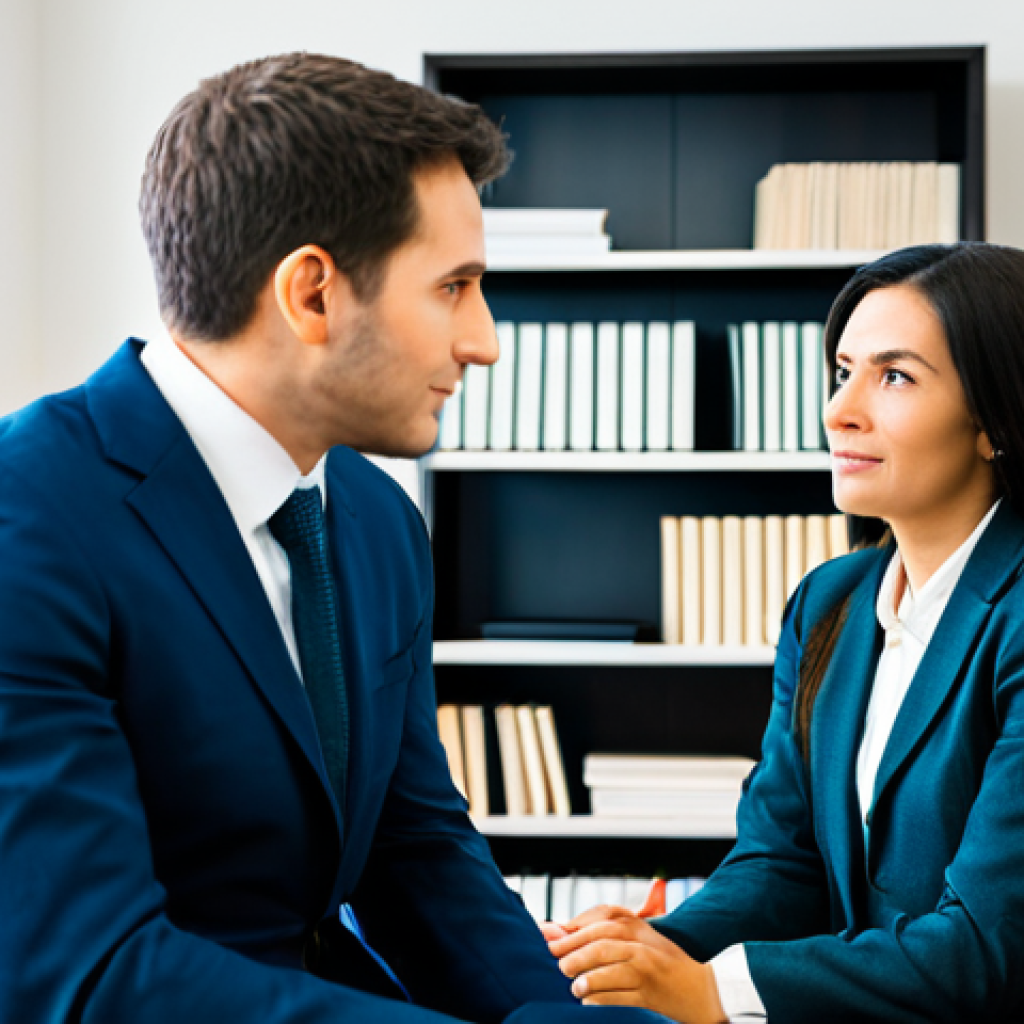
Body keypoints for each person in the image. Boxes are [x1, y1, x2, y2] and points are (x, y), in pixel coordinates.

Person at [0, 53, 665, 1024]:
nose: (483, 340)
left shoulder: (378, 519)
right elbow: (90, 972)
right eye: (454, 287)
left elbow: (413, 844)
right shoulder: (31, 514)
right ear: (311, 293)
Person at [545, 242, 1024, 1023]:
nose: (840, 409)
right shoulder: (829, 603)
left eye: (894, 376)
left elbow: (988, 951)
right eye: (843, 371)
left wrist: (711, 991)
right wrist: (653, 949)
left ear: (993, 420)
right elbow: (783, 865)